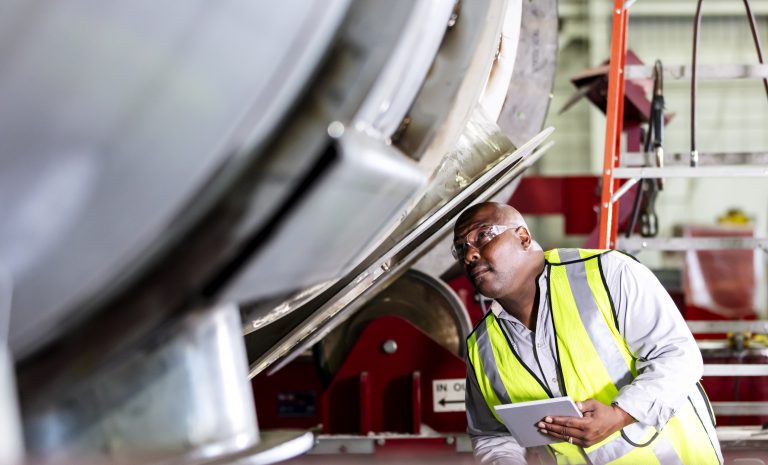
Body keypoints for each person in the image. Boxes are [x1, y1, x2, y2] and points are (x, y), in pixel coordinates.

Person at [455, 202, 722, 465]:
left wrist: (621, 414)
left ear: (523, 237)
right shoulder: (482, 346)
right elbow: (492, 434)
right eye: (461, 248)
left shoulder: (608, 274)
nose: (470, 255)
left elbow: (678, 357)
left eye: (482, 236)